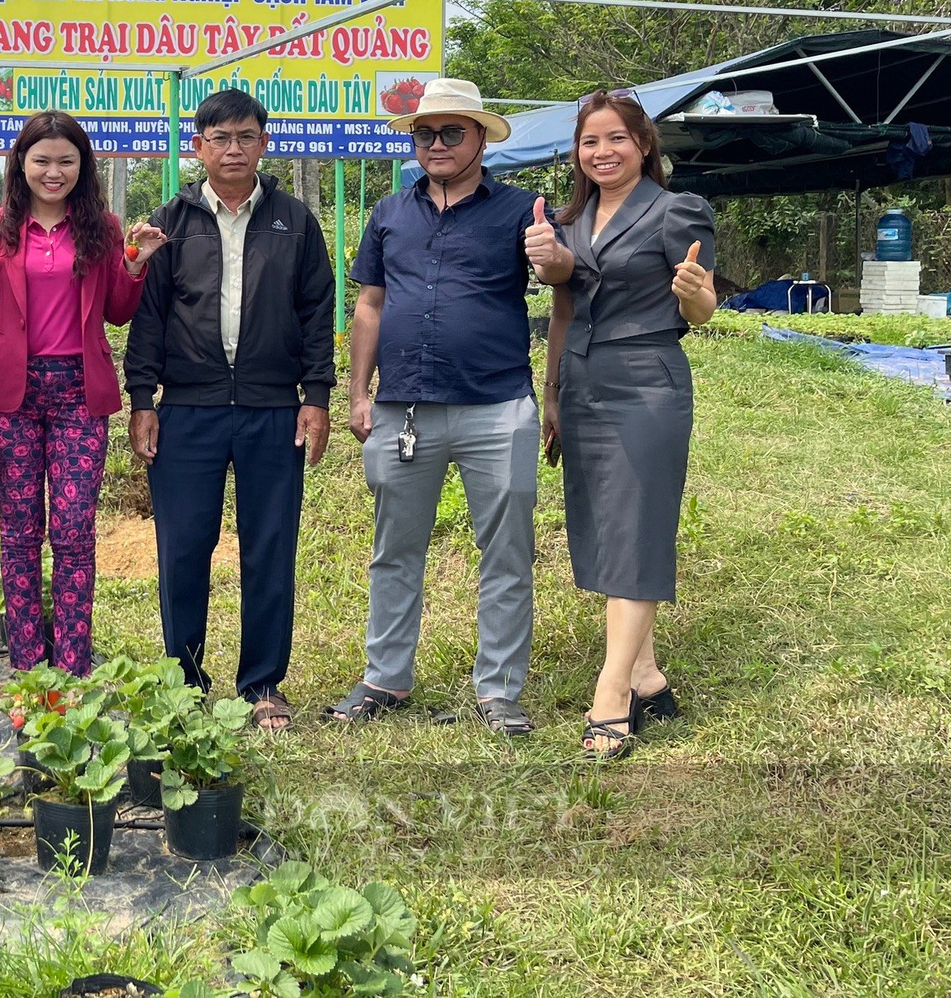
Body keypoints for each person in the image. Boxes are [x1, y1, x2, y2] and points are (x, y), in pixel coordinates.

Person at [327, 77, 542, 736]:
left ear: (480, 137)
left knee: (505, 551)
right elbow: (369, 304)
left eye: (453, 132)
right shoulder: (391, 213)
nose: (438, 143)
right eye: (427, 133)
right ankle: (385, 677)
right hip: (404, 409)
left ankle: (499, 689)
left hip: (497, 404)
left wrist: (554, 257)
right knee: (394, 549)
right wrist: (359, 394)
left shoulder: (521, 211)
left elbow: (560, 278)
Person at [123, 87, 335, 730]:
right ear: (199, 147)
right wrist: (143, 399)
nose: (234, 148)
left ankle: (262, 685)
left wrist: (316, 397)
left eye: (246, 136)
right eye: (220, 138)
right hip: (189, 409)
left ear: (263, 143)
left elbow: (318, 314)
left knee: (269, 547)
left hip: (273, 409)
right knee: (183, 547)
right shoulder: (172, 222)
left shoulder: (294, 221)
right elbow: (149, 317)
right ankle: (183, 682)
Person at [523, 89, 716, 761]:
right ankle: (647, 674)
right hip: (581, 385)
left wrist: (697, 298)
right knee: (604, 528)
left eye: (616, 139)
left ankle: (613, 696)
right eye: (589, 141)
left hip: (646, 385)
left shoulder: (676, 211)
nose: (602, 152)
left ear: (644, 146)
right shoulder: (570, 222)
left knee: (637, 530)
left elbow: (702, 303)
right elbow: (563, 313)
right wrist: (550, 394)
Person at [0, 112, 167, 675]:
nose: (54, 172)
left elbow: (119, 313)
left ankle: (73, 662)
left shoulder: (104, 226)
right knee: (19, 531)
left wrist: (134, 263)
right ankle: (28, 664)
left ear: (83, 165)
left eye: (66, 161)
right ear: (21, 163)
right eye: (42, 160)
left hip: (78, 391)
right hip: (9, 396)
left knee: (74, 528)